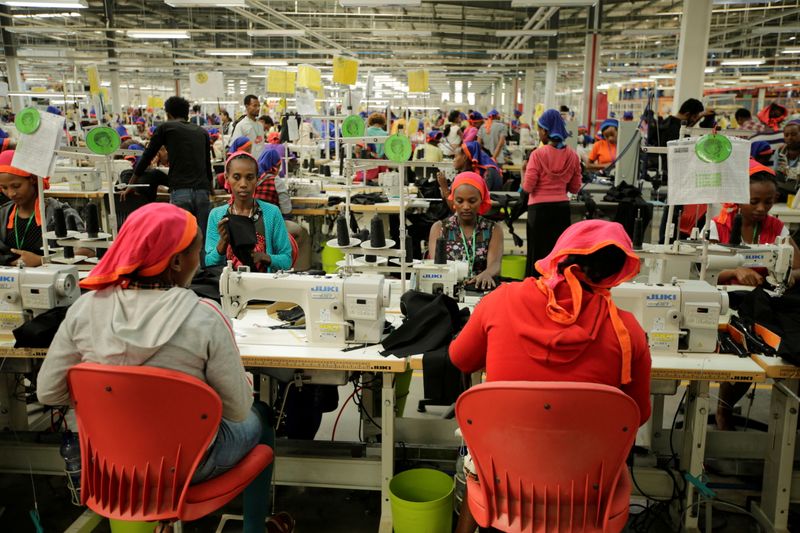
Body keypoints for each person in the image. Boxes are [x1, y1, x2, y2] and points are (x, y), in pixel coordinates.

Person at [35, 202, 291, 531]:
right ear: (176, 262)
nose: (199, 261)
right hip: (189, 468)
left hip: (112, 467)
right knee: (262, 414)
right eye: (197, 253)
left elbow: (48, 392)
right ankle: (254, 526)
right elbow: (238, 409)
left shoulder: (84, 310)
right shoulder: (204, 316)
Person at [450, 219, 652, 533]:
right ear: (616, 273)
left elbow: (460, 358)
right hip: (584, 495)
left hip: (503, 487)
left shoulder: (500, 301)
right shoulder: (627, 331)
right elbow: (636, 416)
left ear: (558, 256)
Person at [713, 162, 800, 432]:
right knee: (745, 353)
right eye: (754, 202)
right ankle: (723, 408)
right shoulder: (718, 226)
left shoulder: (776, 227)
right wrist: (734, 270)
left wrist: (790, 276)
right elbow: (703, 272)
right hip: (723, 304)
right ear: (738, 197)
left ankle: (787, 424)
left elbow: (795, 265)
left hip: (763, 302)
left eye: (769, 202)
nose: (762, 208)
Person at [125, 96, 213, 243]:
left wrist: (131, 184)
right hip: (202, 193)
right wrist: (211, 190)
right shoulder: (201, 132)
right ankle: (202, 266)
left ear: (169, 114)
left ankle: (186, 267)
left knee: (181, 240)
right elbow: (207, 164)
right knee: (202, 239)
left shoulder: (166, 128)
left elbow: (147, 156)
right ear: (187, 113)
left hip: (181, 191)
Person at [0, 150, 92, 266]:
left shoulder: (62, 214)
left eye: (16, 186)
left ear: (33, 179)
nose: (11, 193)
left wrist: (42, 261)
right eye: (4, 187)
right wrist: (11, 262)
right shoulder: (3, 215)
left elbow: (87, 251)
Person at [206, 151, 293, 272]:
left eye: (249, 177)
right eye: (236, 177)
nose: (243, 184)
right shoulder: (216, 215)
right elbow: (209, 262)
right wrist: (223, 242)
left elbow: (287, 260)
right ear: (227, 178)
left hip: (263, 286)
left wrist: (264, 257)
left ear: (257, 179)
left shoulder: (271, 213)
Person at [522, 108, 582, 277]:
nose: (538, 132)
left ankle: (535, 292)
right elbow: (574, 188)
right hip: (561, 211)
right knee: (557, 256)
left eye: (540, 129)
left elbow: (528, 187)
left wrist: (523, 172)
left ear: (546, 131)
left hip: (538, 212)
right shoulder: (572, 156)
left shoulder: (537, 155)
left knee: (537, 256)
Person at [428, 172, 503, 290]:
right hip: (448, 289)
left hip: (480, 288)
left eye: (472, 201)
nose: (466, 206)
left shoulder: (493, 229)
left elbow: (495, 264)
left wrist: (487, 273)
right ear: (453, 201)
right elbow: (437, 266)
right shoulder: (439, 229)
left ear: (481, 200)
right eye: (460, 201)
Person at [774, 120, 800, 186]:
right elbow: (776, 172)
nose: (790, 138)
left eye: (794, 134)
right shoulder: (780, 151)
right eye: (786, 135)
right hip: (783, 188)